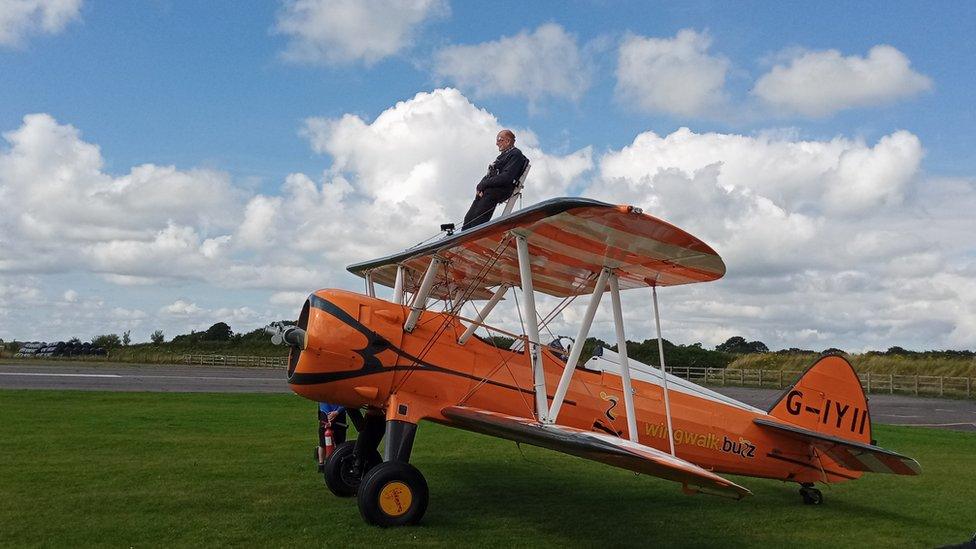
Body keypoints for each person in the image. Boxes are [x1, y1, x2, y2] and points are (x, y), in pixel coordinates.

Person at [462, 129, 528, 231]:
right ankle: (462, 238)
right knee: (468, 219)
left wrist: (484, 184)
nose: (496, 143)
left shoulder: (516, 154)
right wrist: (480, 186)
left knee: (477, 220)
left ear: (508, 141)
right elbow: (490, 174)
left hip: (499, 190)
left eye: (499, 140)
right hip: (489, 189)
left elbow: (506, 177)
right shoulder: (501, 157)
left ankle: (476, 235)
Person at [316, 401, 347, 472]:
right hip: (325, 413)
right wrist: (328, 417)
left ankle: (338, 462)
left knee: (340, 442)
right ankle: (321, 465)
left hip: (339, 413)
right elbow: (322, 400)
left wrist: (337, 412)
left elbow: (347, 401)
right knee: (323, 442)